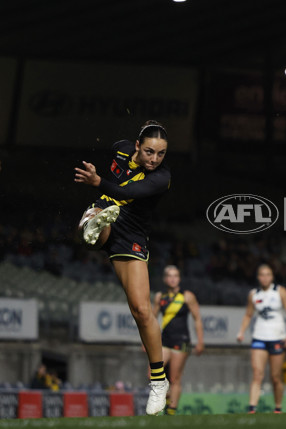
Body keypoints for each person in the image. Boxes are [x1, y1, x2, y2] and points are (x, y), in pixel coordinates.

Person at [74, 120, 171, 415]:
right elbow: (118, 149)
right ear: (138, 146)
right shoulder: (122, 150)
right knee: (96, 219)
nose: (155, 159)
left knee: (141, 311)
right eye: (150, 152)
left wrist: (97, 182)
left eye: (162, 153)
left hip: (131, 236)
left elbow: (125, 190)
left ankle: (159, 382)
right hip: (108, 212)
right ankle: (94, 221)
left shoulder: (162, 178)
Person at [236, 264, 286, 414]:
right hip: (259, 336)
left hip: (277, 337)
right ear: (258, 277)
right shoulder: (253, 294)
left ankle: (278, 407)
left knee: (275, 377)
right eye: (262, 274)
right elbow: (248, 314)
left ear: (272, 276)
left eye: (268, 274)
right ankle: (252, 408)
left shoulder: (280, 292)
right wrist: (241, 331)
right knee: (257, 373)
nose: (265, 277)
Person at [152, 265, 205, 416]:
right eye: (169, 275)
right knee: (152, 374)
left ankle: (171, 411)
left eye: (175, 275)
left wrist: (200, 341)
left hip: (183, 341)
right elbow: (152, 320)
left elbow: (197, 319)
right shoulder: (159, 297)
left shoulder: (187, 296)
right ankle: (167, 398)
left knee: (175, 377)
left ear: (179, 278)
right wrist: (146, 341)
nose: (173, 278)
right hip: (164, 340)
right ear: (165, 279)